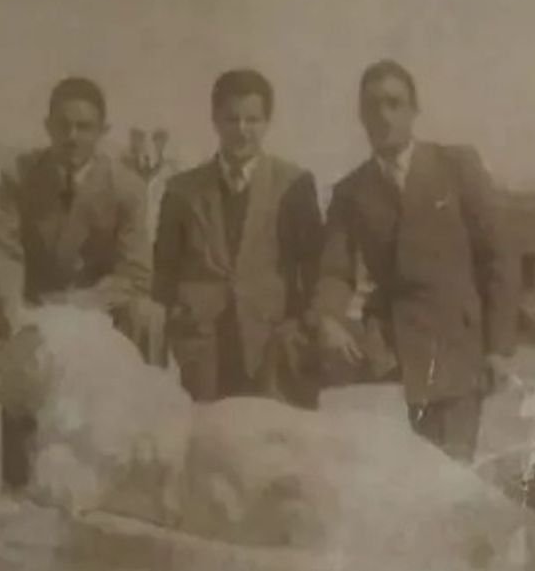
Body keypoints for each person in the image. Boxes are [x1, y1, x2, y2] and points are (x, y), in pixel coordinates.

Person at [309, 60, 515, 462]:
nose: (383, 115)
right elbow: (335, 270)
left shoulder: (457, 167)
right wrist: (328, 319)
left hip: (456, 345)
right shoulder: (352, 191)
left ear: (414, 111)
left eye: (394, 103)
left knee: (451, 474)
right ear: (360, 116)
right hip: (390, 348)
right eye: (372, 107)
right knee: (393, 474)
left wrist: (499, 348)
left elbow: (497, 258)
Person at [0, 76, 164, 490]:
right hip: (34, 307)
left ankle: (113, 484)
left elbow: (135, 271)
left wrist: (80, 305)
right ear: (47, 126)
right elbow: (3, 248)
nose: (72, 136)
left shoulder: (127, 187)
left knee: (142, 319)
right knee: (23, 346)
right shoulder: (21, 175)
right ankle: (16, 489)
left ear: (103, 131)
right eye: (62, 125)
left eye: (84, 127)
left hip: (101, 313)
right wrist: (13, 309)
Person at [153, 69, 323, 407]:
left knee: (275, 446)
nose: (242, 130)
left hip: (272, 345)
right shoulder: (182, 191)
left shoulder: (294, 184)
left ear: (267, 121)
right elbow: (164, 272)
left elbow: (314, 267)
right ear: (215, 120)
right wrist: (177, 328)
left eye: (253, 119)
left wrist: (300, 327)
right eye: (232, 119)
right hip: (203, 348)